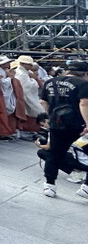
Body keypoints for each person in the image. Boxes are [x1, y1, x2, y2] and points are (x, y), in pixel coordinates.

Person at [39, 60, 88, 199]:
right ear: (85, 73)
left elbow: (43, 101)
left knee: (54, 153)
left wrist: (50, 117)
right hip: (78, 126)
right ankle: (86, 187)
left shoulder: (50, 82)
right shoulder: (83, 84)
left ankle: (49, 185)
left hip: (57, 124)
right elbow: (84, 104)